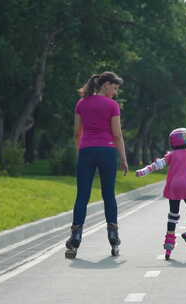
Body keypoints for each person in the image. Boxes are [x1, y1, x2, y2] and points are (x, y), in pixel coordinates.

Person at [65, 71, 129, 259]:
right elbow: (117, 135)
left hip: (87, 151)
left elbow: (77, 132)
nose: (115, 92)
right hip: (107, 152)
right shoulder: (112, 105)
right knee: (108, 195)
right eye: (114, 88)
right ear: (106, 84)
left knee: (82, 196)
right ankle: (113, 236)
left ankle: (75, 238)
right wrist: (123, 158)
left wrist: (81, 150)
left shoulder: (81, 103)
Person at [135, 128, 186, 260]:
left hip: (173, 186)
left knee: (173, 216)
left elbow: (158, 164)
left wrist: (144, 171)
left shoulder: (171, 155)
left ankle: (169, 245)